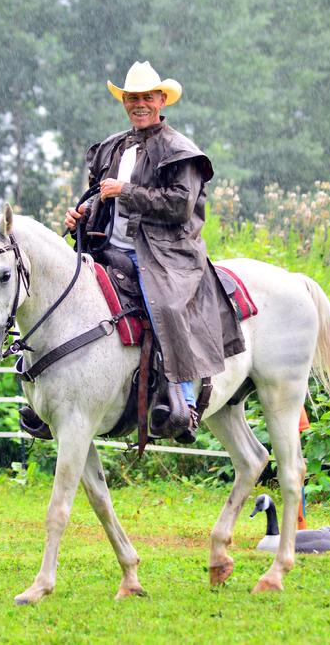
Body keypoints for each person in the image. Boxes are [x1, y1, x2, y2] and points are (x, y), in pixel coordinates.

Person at [65, 61, 244, 443]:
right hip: (108, 248)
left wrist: (126, 191)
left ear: (162, 100)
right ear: (124, 102)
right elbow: (100, 197)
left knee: (166, 306)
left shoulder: (180, 150)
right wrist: (81, 213)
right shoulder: (112, 147)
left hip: (166, 253)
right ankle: (56, 397)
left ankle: (183, 402)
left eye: (147, 97)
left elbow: (180, 205)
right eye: (132, 98)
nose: (139, 104)